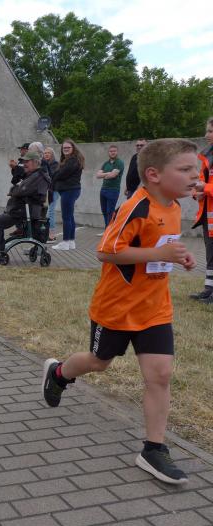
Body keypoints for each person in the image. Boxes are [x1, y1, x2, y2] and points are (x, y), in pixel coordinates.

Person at [42, 139, 198, 485]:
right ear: (154, 175)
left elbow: (161, 245)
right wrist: (161, 255)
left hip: (155, 308)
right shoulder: (134, 207)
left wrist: (179, 255)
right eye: (186, 169)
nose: (195, 177)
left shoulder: (173, 206)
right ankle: (59, 373)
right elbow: (106, 251)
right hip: (117, 308)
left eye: (196, 170)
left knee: (160, 375)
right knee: (99, 362)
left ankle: (153, 449)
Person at [0, 150, 50, 264]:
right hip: (21, 210)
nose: (24, 164)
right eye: (24, 162)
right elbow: (19, 184)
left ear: (35, 162)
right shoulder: (34, 175)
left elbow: (21, 190)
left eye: (27, 162)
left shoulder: (38, 176)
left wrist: (14, 191)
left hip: (24, 212)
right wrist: (15, 187)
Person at [190, 118, 213, 302]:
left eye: (210, 131)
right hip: (208, 215)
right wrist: (195, 193)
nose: (206, 135)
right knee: (210, 253)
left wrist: (204, 188)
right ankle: (209, 289)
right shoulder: (207, 156)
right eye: (207, 131)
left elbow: (205, 185)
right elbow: (200, 181)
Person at [51, 139, 84, 250]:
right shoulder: (68, 160)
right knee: (70, 216)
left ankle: (65, 242)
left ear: (73, 148)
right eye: (64, 148)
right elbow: (59, 173)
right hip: (69, 190)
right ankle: (71, 241)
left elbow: (60, 174)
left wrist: (55, 175)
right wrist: (56, 174)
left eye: (68, 147)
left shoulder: (73, 160)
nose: (65, 149)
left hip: (70, 191)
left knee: (66, 217)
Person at [96, 145, 125, 234]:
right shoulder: (106, 163)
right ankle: (107, 229)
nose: (112, 152)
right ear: (108, 152)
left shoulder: (119, 163)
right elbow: (98, 175)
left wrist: (104, 174)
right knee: (104, 211)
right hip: (103, 189)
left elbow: (113, 175)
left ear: (117, 152)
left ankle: (110, 231)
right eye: (111, 151)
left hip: (113, 190)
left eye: (114, 151)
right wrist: (108, 174)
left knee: (110, 211)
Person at [44, 147, 60, 242]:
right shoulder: (45, 164)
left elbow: (51, 176)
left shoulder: (55, 164)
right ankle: (47, 232)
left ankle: (52, 235)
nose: (46, 154)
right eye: (45, 153)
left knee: (50, 212)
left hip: (54, 190)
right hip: (47, 190)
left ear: (52, 154)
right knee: (46, 212)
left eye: (48, 153)